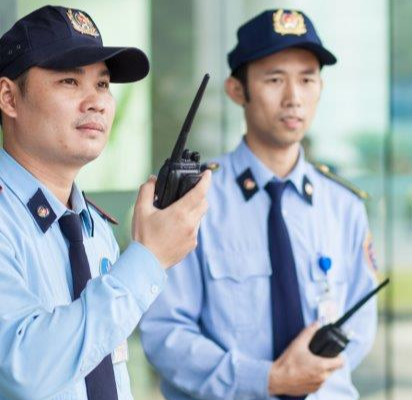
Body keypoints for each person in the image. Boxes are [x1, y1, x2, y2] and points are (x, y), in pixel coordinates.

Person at [0, 6, 210, 400]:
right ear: (9, 97)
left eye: (102, 84)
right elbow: (28, 368)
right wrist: (148, 258)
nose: (96, 102)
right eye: (69, 81)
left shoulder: (93, 228)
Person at [140, 8, 378, 400]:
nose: (294, 98)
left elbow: (360, 324)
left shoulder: (344, 206)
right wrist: (265, 380)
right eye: (274, 80)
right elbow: (165, 332)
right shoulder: (194, 201)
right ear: (237, 90)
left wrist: (313, 372)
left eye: (307, 79)